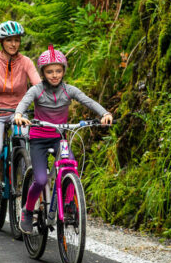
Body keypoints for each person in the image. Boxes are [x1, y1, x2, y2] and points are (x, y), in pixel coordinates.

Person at [13, 45, 112, 234]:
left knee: (70, 165)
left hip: (60, 138)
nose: (54, 75)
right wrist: (19, 114)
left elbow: (88, 101)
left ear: (64, 71)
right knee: (41, 180)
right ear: (42, 73)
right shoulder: (37, 90)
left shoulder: (69, 90)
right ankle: (27, 210)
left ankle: (68, 205)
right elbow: (24, 103)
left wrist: (104, 113)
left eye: (58, 70)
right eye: (49, 71)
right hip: (39, 139)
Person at [0, 21, 41, 202]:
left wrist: (47, 100)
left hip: (18, 112)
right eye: (9, 40)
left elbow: (38, 85)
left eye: (17, 40)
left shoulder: (26, 62)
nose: (13, 44)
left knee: (26, 141)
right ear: (1, 42)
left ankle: (23, 175)